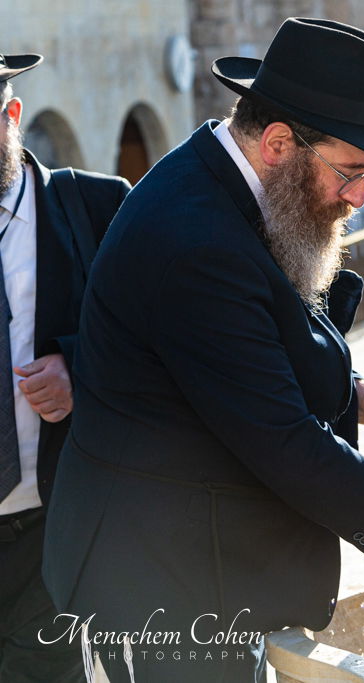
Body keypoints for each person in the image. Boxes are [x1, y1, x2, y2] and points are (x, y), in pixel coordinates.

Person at [40, 19, 364, 683]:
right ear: (276, 142)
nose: (359, 196)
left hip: (206, 565)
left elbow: (255, 358)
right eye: (350, 172)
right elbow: (275, 433)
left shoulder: (233, 186)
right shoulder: (195, 241)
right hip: (159, 581)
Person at [0, 53, 130, 682]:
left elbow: (162, 346)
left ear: (12, 115)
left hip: (58, 526)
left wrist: (81, 370)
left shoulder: (100, 209)